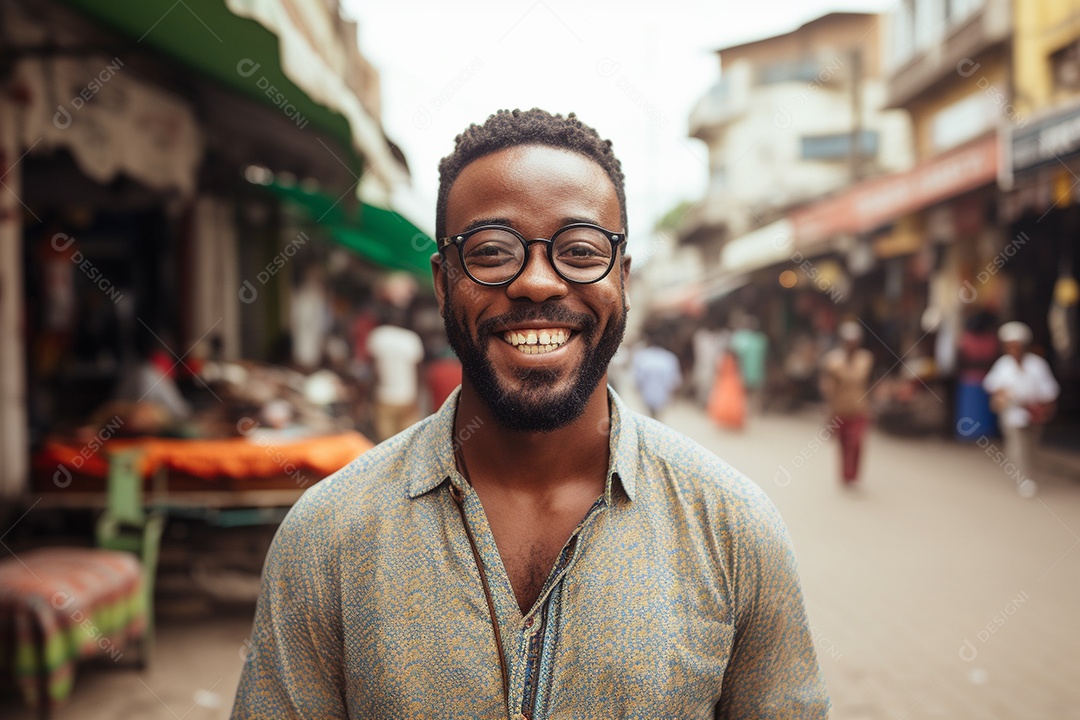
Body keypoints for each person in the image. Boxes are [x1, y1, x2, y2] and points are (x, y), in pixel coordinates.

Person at [232, 109, 828, 718]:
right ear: (442, 284)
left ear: (622, 279)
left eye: (579, 250)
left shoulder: (732, 528)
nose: (538, 283)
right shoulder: (327, 536)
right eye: (491, 251)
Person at [983, 321, 1060, 497]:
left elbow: (1050, 390)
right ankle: (1024, 479)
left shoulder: (1037, 365)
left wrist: (1043, 407)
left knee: (1031, 447)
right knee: (1017, 446)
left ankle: (1028, 474)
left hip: (1033, 414)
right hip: (1012, 412)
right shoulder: (1003, 365)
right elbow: (991, 385)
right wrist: (1002, 395)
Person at [819, 320, 874, 486]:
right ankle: (845, 476)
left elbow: (858, 377)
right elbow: (827, 386)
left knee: (856, 443)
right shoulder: (833, 359)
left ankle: (853, 475)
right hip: (839, 409)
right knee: (843, 445)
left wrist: (838, 371)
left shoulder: (864, 358)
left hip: (859, 409)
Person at [365, 310, 425, 441]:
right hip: (407, 397)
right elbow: (418, 373)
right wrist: (417, 398)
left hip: (384, 397)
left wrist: (369, 394)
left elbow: (374, 370)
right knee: (407, 442)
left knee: (384, 443)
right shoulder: (411, 338)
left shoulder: (378, 336)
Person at [631, 336, 682, 419]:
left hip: (646, 395)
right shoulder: (670, 359)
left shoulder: (643, 356)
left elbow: (637, 379)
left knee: (647, 418)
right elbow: (675, 381)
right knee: (656, 419)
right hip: (662, 397)